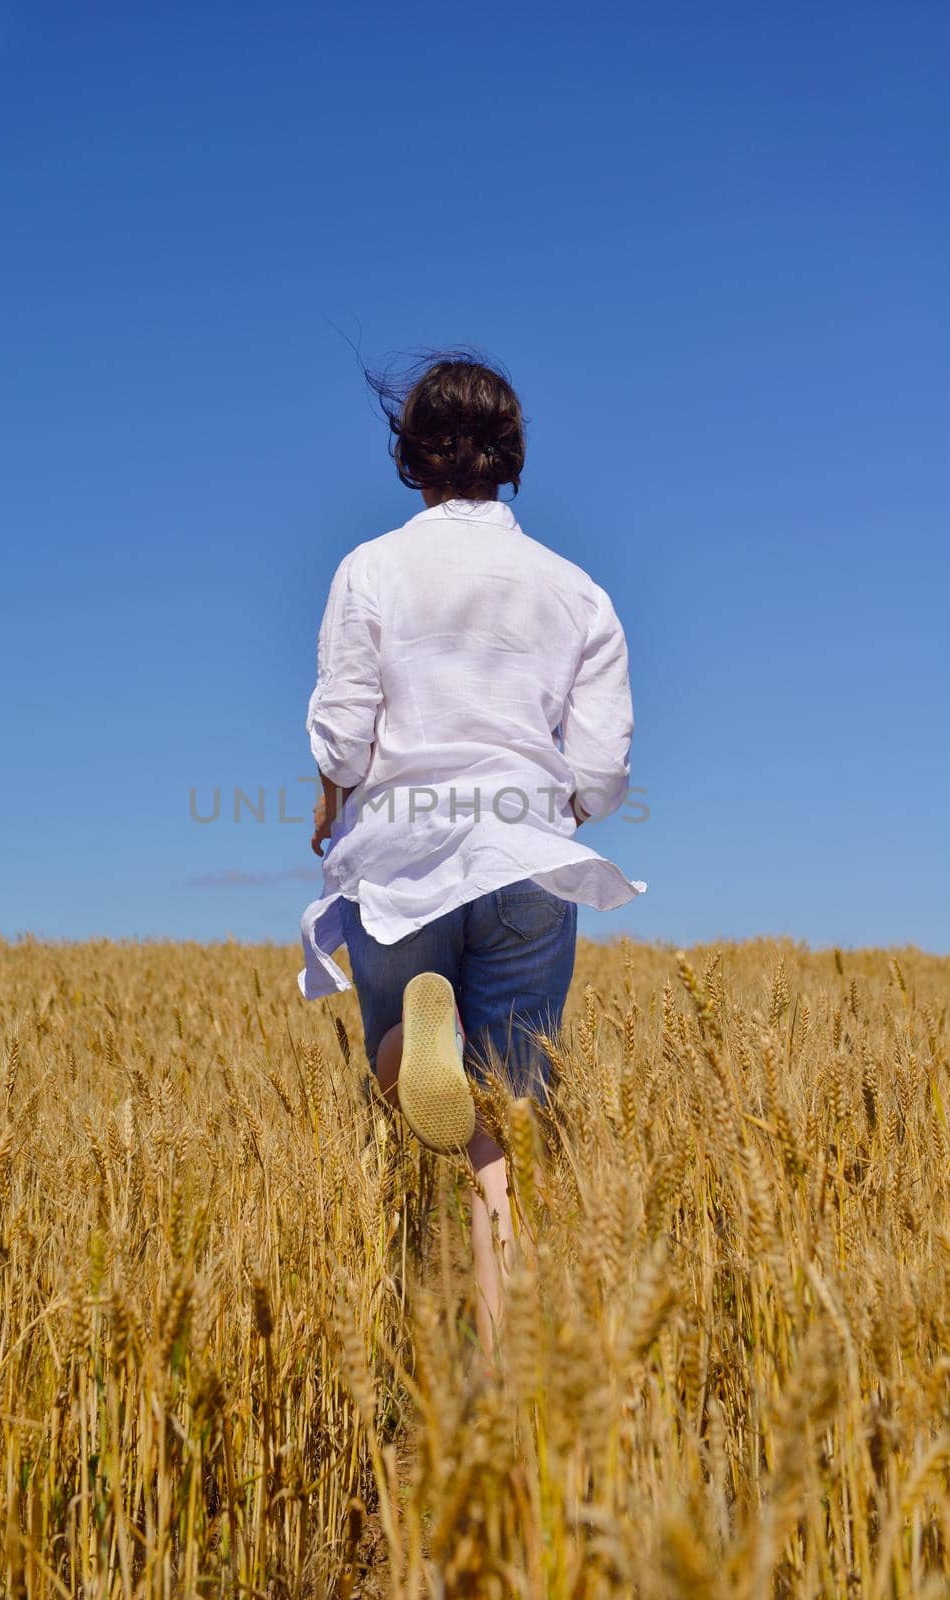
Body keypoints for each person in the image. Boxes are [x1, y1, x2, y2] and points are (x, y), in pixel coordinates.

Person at [298, 351, 645, 1367]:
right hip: (528, 863)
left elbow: (343, 743)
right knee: (508, 1130)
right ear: (512, 459)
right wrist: (555, 804)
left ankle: (414, 1051)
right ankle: (501, 1362)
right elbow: (601, 769)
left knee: (398, 1069)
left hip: (402, 862)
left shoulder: (369, 570)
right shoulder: (579, 592)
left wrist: (334, 794)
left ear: (412, 457)